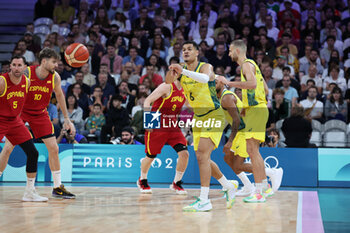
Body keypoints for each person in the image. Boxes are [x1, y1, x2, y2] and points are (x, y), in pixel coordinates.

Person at [167, 41, 237, 212]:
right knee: (202, 157)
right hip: (198, 117)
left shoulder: (206, 66)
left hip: (214, 114)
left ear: (197, 52)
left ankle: (204, 200)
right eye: (183, 50)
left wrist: (182, 71)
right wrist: (172, 72)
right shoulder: (181, 71)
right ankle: (228, 185)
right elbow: (168, 85)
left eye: (189, 49)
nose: (185, 52)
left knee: (202, 156)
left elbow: (205, 79)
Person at [0, 48, 76, 199]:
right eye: (54, 62)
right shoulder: (26, 72)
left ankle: (57, 187)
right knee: (8, 148)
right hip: (20, 113)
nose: (56, 65)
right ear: (44, 61)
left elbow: (60, 95)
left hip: (40, 113)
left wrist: (67, 118)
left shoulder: (55, 77)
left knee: (54, 148)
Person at [218, 40, 281, 203]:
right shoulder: (252, 64)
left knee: (253, 151)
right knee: (253, 151)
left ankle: (259, 192)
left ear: (238, 51)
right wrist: (248, 105)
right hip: (256, 109)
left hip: (256, 111)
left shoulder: (246, 65)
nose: (229, 53)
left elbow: (252, 84)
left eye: (230, 50)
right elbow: (265, 89)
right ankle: (264, 188)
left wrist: (229, 83)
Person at [0, 55, 47, 202]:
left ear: (25, 67)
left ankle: (29, 192)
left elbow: (19, 103)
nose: (16, 68)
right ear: (10, 66)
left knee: (33, 153)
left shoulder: (26, 82)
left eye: (19, 65)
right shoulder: (2, 81)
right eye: (14, 65)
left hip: (14, 121)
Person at [137, 77, 189, 195]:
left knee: (184, 154)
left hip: (172, 125)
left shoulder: (186, 90)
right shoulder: (166, 86)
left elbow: (189, 107)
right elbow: (147, 101)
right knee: (151, 156)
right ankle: (142, 180)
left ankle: (177, 182)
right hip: (157, 124)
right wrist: (148, 121)